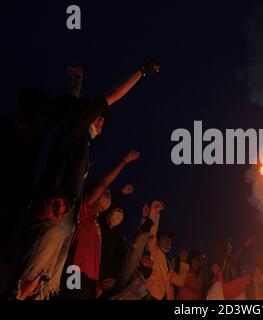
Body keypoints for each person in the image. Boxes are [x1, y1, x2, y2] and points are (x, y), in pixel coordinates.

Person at [16, 61, 160, 299]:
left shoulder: (75, 136)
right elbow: (112, 95)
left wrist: (78, 81)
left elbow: (69, 100)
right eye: (99, 117)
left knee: (45, 285)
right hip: (56, 212)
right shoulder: (74, 128)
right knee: (31, 281)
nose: (101, 120)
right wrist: (141, 71)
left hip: (65, 217)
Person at [0, 65, 84, 262]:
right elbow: (69, 101)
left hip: (17, 194)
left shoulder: (8, 124)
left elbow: (68, 102)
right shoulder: (38, 123)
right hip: (17, 194)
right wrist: (79, 79)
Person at [61, 150, 140, 300]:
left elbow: (96, 256)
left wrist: (96, 281)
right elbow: (104, 183)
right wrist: (125, 161)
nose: (108, 197)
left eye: (109, 195)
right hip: (75, 271)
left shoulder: (96, 223)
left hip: (89, 279)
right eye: (105, 194)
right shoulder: (84, 212)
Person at [111, 201, 163, 300]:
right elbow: (139, 244)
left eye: (149, 260)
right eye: (149, 259)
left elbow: (140, 244)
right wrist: (151, 217)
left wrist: (149, 218)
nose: (151, 260)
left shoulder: (139, 283)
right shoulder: (130, 275)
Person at [145, 204, 190, 300]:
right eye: (165, 238)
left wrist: (183, 262)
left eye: (170, 238)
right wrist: (156, 213)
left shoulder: (169, 263)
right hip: (152, 296)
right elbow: (152, 234)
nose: (168, 240)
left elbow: (180, 282)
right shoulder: (153, 251)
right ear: (157, 241)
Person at [97, 202, 129, 299]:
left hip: (107, 286)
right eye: (117, 211)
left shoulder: (120, 240)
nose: (119, 214)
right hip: (89, 278)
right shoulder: (97, 228)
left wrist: (114, 279)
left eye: (122, 213)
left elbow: (119, 261)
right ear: (109, 212)